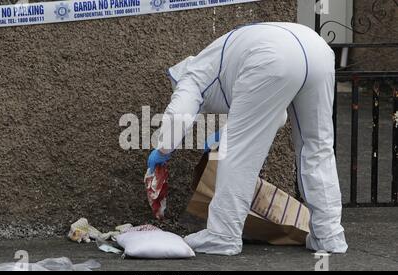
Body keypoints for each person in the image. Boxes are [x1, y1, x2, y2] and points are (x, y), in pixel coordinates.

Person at [147, 22, 348, 255]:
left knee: (238, 152)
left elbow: (179, 115)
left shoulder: (191, 76)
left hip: (272, 54)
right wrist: (224, 133)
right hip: (317, 50)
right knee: (318, 146)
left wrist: (162, 151)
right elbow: (277, 115)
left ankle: (222, 236)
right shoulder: (222, 63)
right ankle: (329, 236)